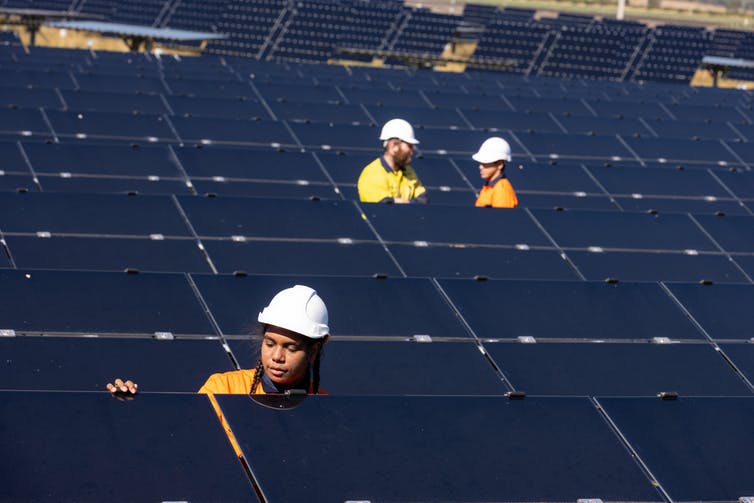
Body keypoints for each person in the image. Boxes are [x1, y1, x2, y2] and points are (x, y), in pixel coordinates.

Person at [107, 285, 330, 455]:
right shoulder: (223, 389)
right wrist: (130, 409)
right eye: (270, 344)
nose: (276, 357)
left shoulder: (325, 407)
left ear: (313, 350)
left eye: (290, 348)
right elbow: (177, 440)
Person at [357, 118, 428, 204]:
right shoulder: (372, 174)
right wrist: (410, 203)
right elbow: (384, 206)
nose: (412, 151)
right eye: (409, 146)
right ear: (393, 146)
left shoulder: (408, 171)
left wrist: (398, 202)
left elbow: (424, 200)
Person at [472, 137, 518, 208]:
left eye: (485, 162)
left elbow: (500, 217)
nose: (480, 167)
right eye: (481, 163)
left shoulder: (502, 191)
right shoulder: (488, 187)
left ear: (500, 164)